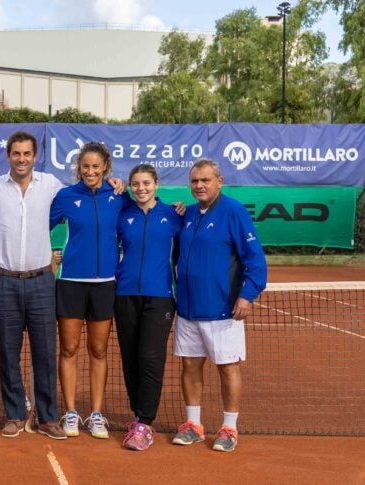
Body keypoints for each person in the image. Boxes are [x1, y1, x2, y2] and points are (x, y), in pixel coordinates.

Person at [172, 159, 267, 453]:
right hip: (187, 309)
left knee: (227, 368)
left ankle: (229, 427)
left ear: (219, 181)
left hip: (223, 309)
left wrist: (247, 295)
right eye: (194, 181)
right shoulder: (186, 214)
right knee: (190, 365)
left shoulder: (234, 211)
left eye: (205, 180)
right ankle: (193, 425)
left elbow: (255, 259)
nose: (199, 185)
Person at [0, 131, 67, 440]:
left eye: (27, 153)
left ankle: (48, 417)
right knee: (8, 352)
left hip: (42, 280)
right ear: (8, 155)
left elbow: (86, 192)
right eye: (16, 153)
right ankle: (15, 414)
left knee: (45, 353)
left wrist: (115, 182)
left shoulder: (52, 186)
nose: (21, 159)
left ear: (35, 156)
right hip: (3, 281)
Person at [49, 142, 127, 439]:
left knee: (98, 350)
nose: (90, 171)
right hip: (70, 283)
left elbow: (143, 212)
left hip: (105, 284)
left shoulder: (118, 196)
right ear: (78, 168)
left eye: (96, 166)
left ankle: (95, 413)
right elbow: (37, 225)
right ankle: (70, 411)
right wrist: (50, 252)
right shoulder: (66, 197)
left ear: (105, 167)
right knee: (69, 349)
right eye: (85, 166)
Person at [113, 164, 182, 451]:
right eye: (135, 184)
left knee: (150, 358)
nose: (141, 188)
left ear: (156, 184)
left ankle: (145, 423)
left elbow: (184, 255)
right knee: (130, 359)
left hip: (160, 297)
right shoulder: (122, 214)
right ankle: (137, 415)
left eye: (146, 183)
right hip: (124, 293)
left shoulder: (175, 215)